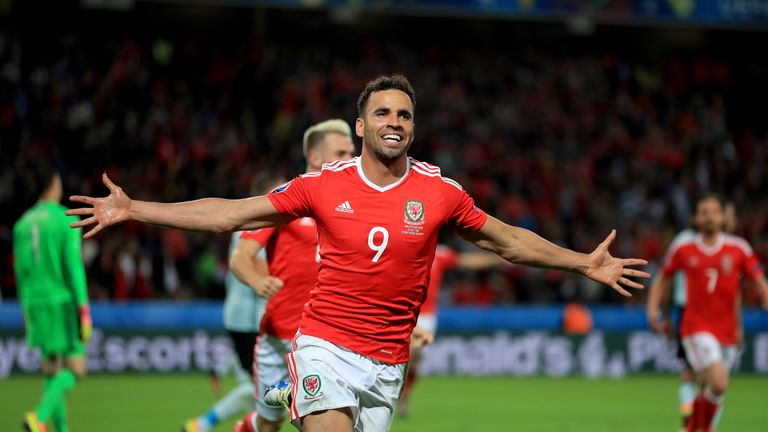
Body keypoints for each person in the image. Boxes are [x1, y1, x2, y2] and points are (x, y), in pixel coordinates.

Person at [66, 74, 649, 432]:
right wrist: (137, 209)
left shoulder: (441, 193)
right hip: (323, 345)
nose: (394, 121)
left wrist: (581, 261)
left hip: (388, 362)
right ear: (361, 125)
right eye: (383, 113)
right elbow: (232, 213)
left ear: (413, 128)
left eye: (404, 114)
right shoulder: (323, 185)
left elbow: (508, 242)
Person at [230, 119, 356, 432]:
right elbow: (240, 257)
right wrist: (258, 281)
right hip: (279, 338)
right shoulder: (286, 199)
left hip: (330, 338)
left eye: (352, 151)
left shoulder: (356, 204)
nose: (352, 157)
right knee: (269, 424)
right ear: (315, 158)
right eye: (341, 151)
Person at [647, 195, 768, 432]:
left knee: (713, 386)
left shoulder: (738, 248)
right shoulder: (684, 247)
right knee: (718, 380)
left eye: (714, 211)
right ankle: (702, 427)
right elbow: (663, 277)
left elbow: (758, 279)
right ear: (695, 218)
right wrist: (653, 310)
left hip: (727, 330)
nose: (710, 216)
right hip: (695, 327)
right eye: (704, 212)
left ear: (722, 217)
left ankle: (693, 428)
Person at [183, 177, 281, 432]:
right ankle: (204, 424)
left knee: (264, 389)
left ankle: (205, 423)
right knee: (261, 390)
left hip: (246, 315)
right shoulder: (259, 226)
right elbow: (261, 267)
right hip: (249, 317)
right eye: (279, 191)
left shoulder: (256, 225)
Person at [14, 164, 92, 432]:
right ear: (54, 185)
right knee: (76, 369)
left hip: (34, 302)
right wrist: (83, 307)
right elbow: (73, 266)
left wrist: (25, 307)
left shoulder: (22, 224)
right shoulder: (65, 219)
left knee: (51, 370)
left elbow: (21, 272)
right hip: (61, 302)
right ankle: (40, 416)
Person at [397, 243, 501, 417]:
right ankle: (394, 395)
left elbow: (467, 261)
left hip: (426, 316)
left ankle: (403, 395)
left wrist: (498, 257)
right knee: (403, 356)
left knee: (415, 359)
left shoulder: (440, 253)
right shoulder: (403, 244)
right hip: (401, 311)